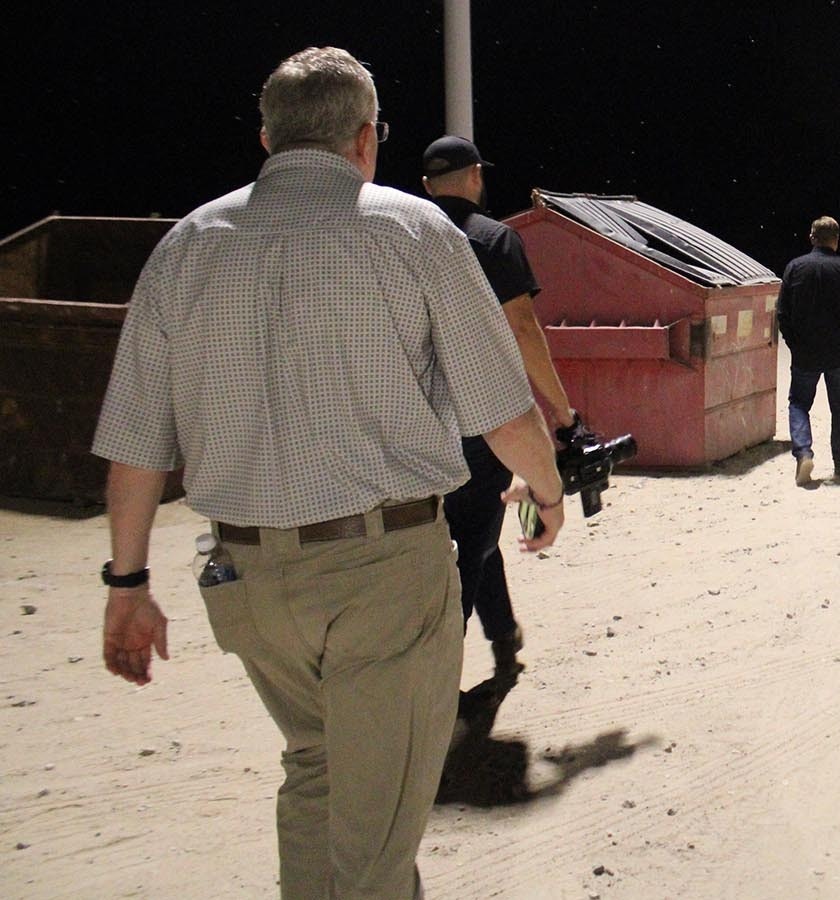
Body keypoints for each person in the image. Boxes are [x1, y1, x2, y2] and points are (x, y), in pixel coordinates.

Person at [92, 47, 567, 899]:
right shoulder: (414, 232)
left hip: (246, 581)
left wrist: (127, 582)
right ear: (366, 140)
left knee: (315, 766)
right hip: (379, 577)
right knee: (381, 843)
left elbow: (134, 444)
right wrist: (547, 490)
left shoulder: (186, 246)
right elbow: (503, 410)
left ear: (269, 135)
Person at [422, 134, 583, 678]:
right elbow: (522, 329)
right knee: (470, 540)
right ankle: (436, 694)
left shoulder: (398, 237)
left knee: (475, 526)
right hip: (479, 422)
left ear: (426, 186)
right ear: (474, 178)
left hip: (407, 423)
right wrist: (562, 413)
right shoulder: (495, 240)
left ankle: (503, 638)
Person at [776, 215, 840, 485]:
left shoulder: (795, 267)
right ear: (836, 240)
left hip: (805, 351)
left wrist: (793, 341)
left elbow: (783, 312)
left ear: (812, 238)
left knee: (799, 403)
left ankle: (804, 453)